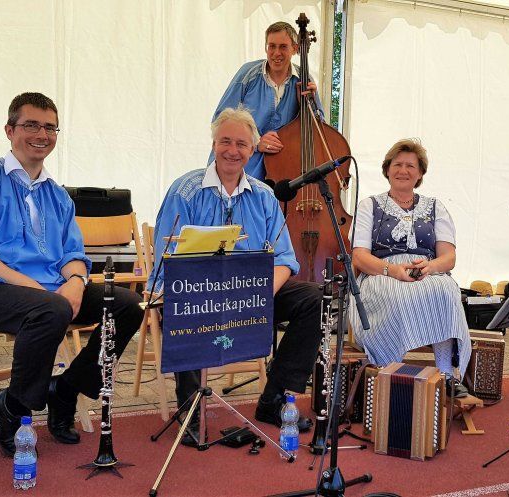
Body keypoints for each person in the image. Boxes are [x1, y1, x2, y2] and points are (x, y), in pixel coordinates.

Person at [0, 92, 145, 456]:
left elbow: (72, 255)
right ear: (9, 130)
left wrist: (76, 283)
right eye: (31, 125)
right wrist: (41, 289)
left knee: (126, 304)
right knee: (51, 308)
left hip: (45, 295)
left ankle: (64, 390)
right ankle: (14, 407)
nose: (41, 134)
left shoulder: (57, 196)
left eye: (50, 127)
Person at [151, 106, 321, 443]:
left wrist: (259, 293)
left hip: (251, 293)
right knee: (182, 305)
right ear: (213, 143)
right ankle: (190, 409)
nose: (233, 150)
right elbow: (167, 257)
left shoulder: (265, 196)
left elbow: (285, 259)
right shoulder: (185, 191)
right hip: (196, 293)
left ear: (252, 148)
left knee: (314, 300)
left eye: (242, 144)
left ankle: (274, 399)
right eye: (225, 141)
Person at [348, 138, 470, 397]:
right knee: (397, 295)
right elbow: (359, 257)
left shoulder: (436, 207)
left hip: (425, 271)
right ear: (387, 169)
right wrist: (392, 270)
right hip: (380, 271)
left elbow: (449, 258)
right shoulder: (369, 205)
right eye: (397, 164)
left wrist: (431, 266)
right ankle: (394, 372)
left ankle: (447, 376)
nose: (403, 170)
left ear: (420, 173)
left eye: (410, 166)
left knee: (447, 292)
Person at [210, 21, 320, 180]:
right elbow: (220, 121)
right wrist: (256, 142)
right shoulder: (248, 74)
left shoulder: (304, 79)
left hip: (283, 171)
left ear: (295, 49)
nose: (276, 53)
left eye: (283, 47)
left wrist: (310, 103)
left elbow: (318, 131)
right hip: (241, 165)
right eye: (272, 46)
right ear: (266, 48)